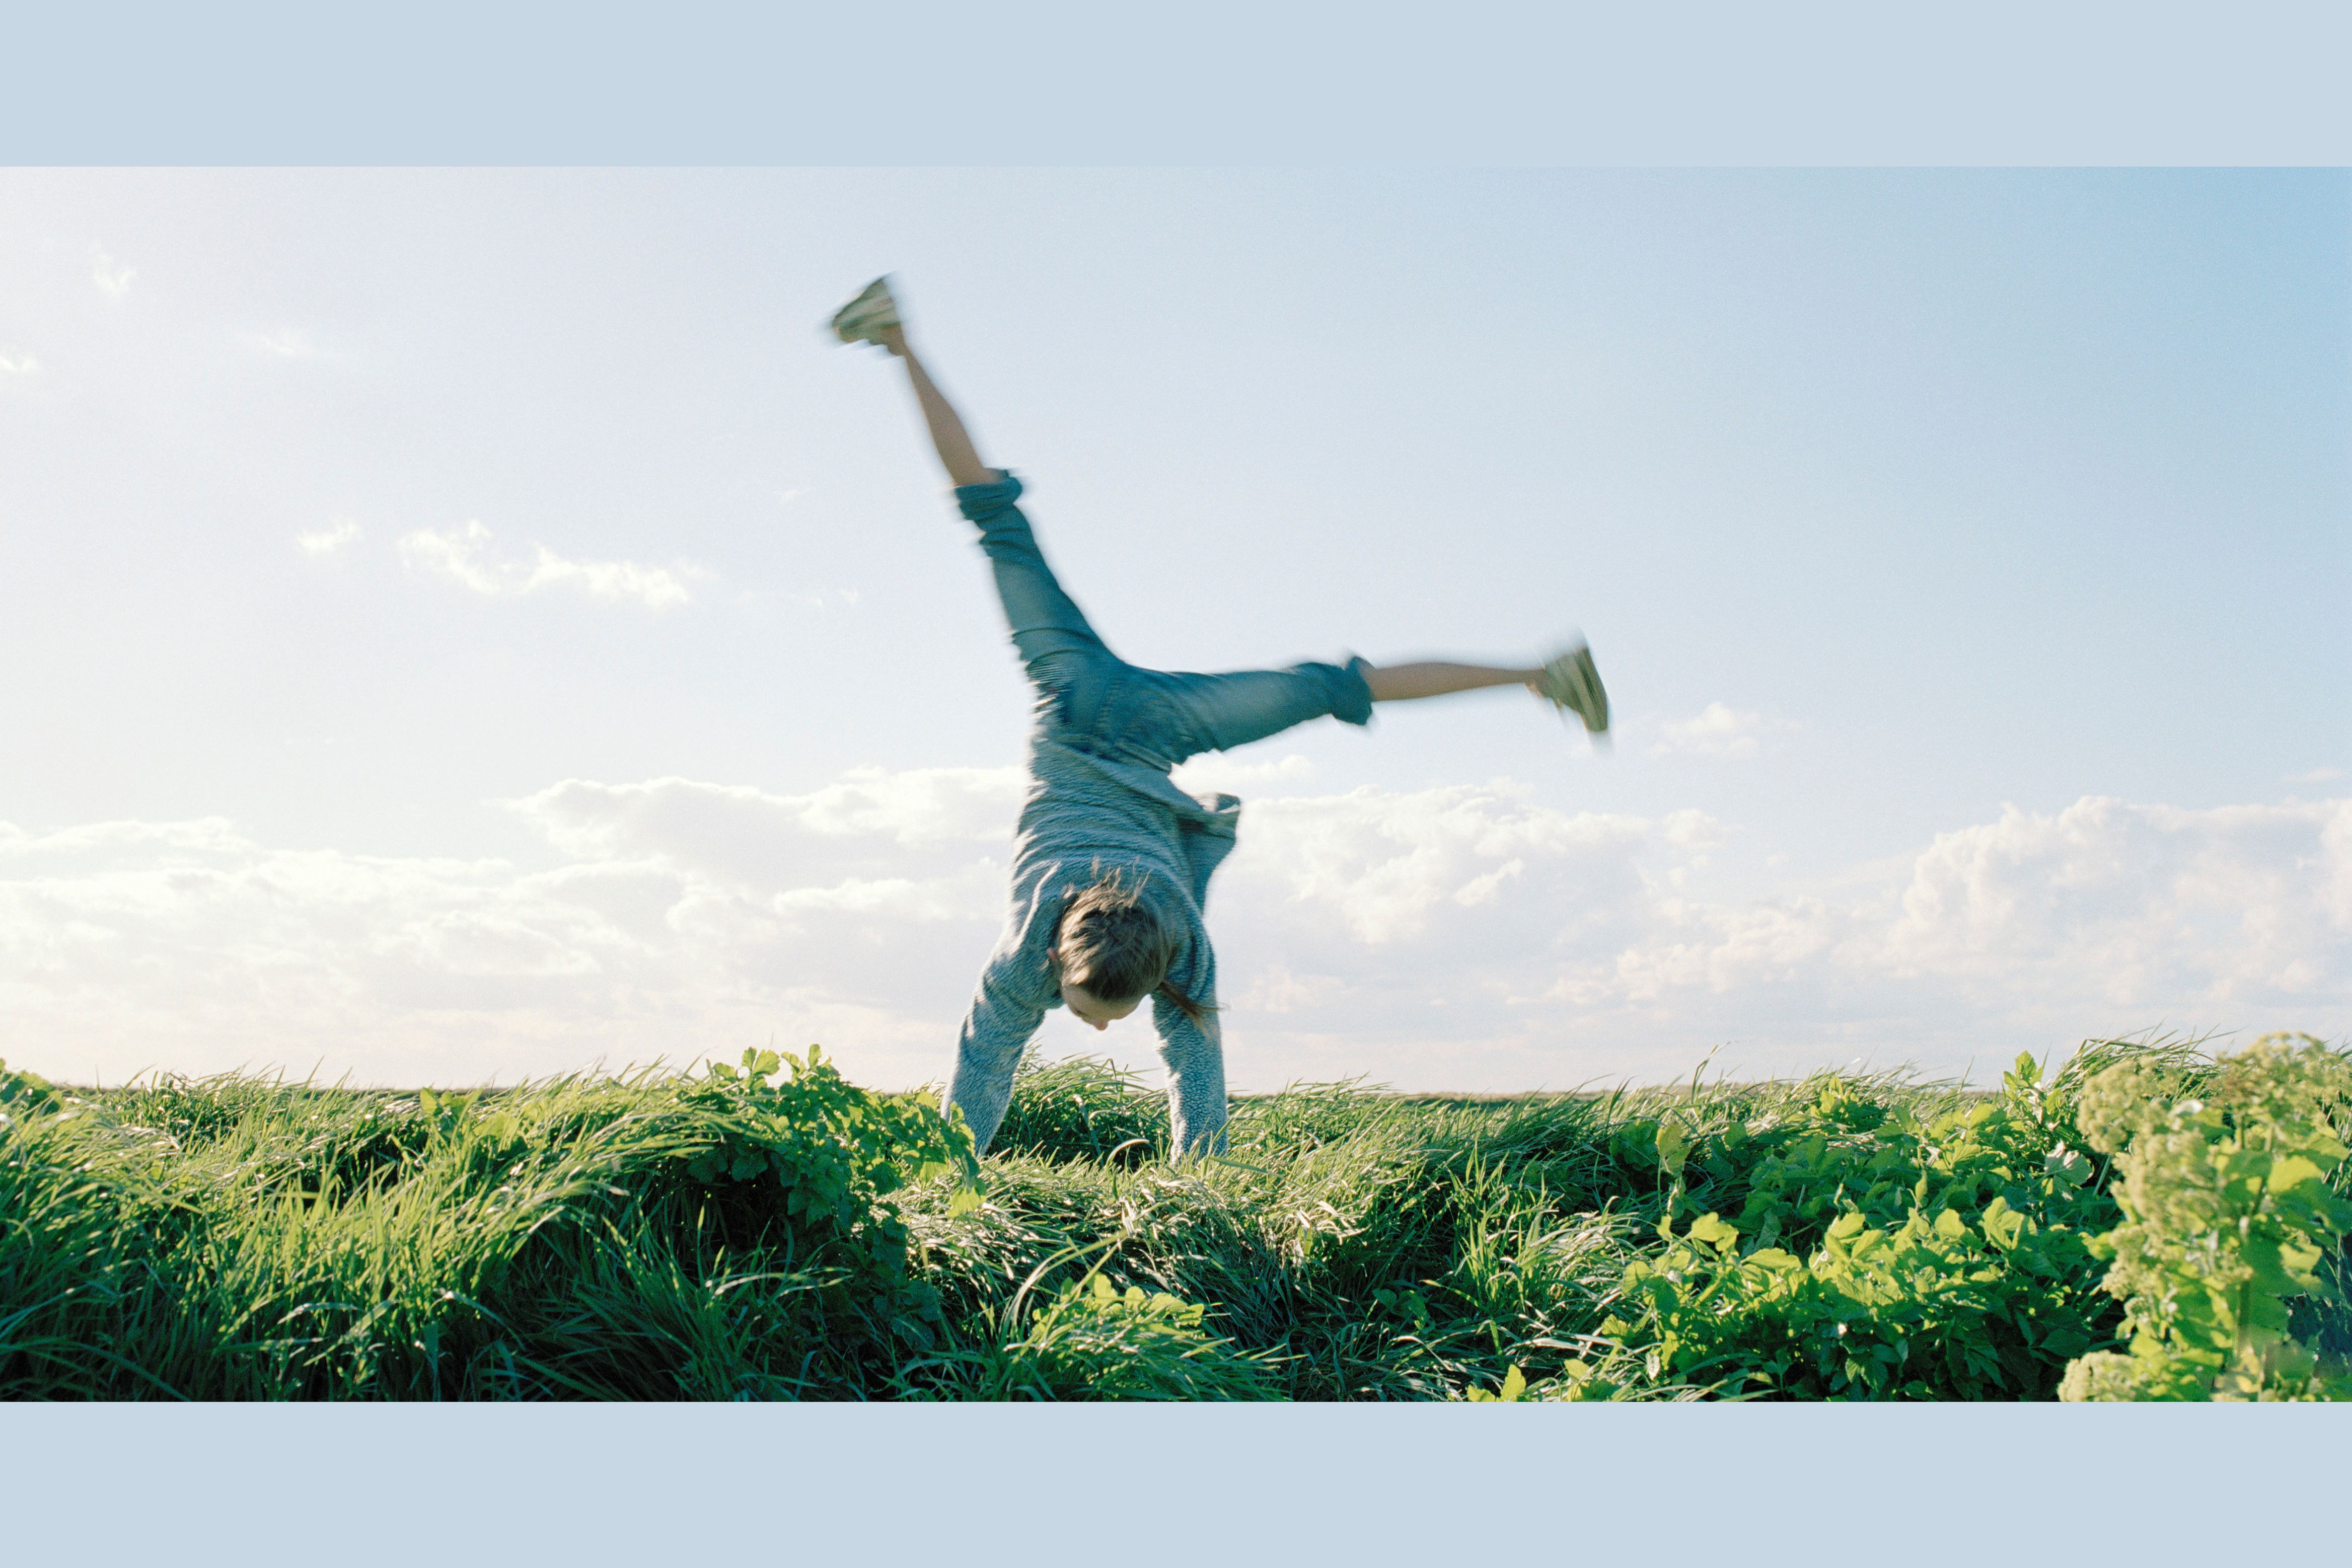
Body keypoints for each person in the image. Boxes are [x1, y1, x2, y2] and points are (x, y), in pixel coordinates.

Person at [829, 276, 1607, 1158]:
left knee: (1012, 529)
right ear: (1057, 958)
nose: (1097, 1031)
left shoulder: (1138, 952)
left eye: (1098, 1014)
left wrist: (962, 1180)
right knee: (1317, 681)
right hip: (1110, 713)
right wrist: (1186, 1185)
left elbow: (1011, 1073)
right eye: (1101, 1013)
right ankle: (1543, 675)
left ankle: (1546, 675)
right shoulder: (1098, 953)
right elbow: (1141, 1075)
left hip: (1105, 714)